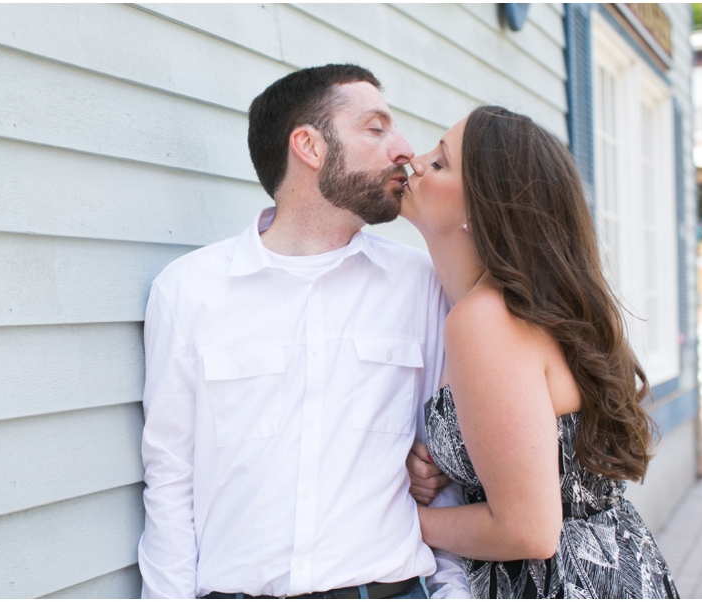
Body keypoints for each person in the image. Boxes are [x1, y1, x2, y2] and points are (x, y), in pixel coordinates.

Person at [137, 64, 469, 599]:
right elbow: (170, 479)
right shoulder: (188, 290)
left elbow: (446, 463)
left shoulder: (420, 285)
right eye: (376, 127)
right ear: (309, 147)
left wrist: (455, 592)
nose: (404, 149)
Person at [401, 105, 679, 598]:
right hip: (619, 566)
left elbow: (527, 529)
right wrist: (455, 459)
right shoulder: (523, 310)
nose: (415, 161)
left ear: (482, 211)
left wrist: (407, 521)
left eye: (440, 162)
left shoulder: (484, 321)